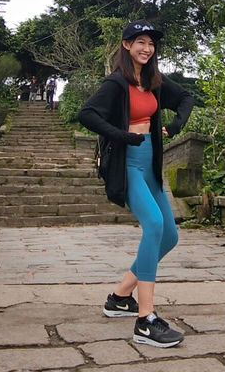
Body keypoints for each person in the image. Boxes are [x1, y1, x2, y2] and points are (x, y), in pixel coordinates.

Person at [77, 20, 193, 348]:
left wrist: (175, 124)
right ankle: (145, 320)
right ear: (126, 45)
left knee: (169, 236)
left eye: (151, 43)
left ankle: (119, 297)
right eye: (139, 41)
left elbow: (185, 98)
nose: (146, 48)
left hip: (152, 165)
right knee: (154, 225)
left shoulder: (154, 81)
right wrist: (123, 135)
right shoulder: (116, 83)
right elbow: (87, 114)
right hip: (128, 167)